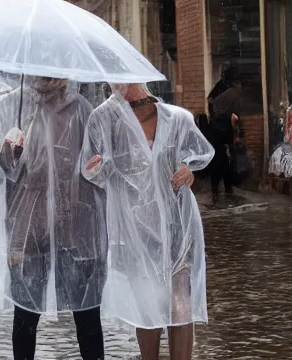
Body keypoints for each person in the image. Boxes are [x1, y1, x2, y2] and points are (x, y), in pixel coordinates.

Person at [0, 77, 106, 360]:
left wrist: (100, 165)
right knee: (25, 317)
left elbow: (102, 163)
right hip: (27, 230)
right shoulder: (8, 107)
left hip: (76, 229)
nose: (50, 77)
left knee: (88, 316)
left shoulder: (81, 109)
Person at [81, 83, 213, 360]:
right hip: (136, 228)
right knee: (148, 305)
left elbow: (195, 158)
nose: (120, 85)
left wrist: (188, 172)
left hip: (177, 224)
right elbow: (95, 172)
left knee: (181, 304)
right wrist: (95, 169)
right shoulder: (103, 121)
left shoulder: (176, 118)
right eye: (114, 81)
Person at [206, 65, 242, 203]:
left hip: (217, 130)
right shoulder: (231, 90)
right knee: (226, 161)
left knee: (220, 161)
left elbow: (211, 102)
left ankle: (219, 190)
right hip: (224, 129)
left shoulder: (220, 88)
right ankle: (225, 189)